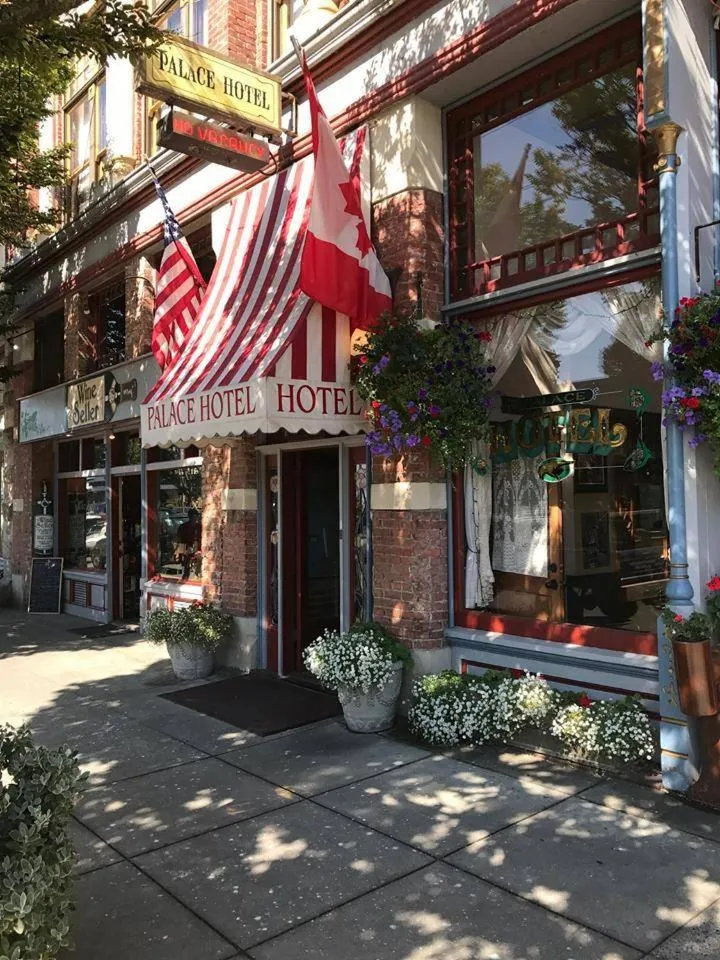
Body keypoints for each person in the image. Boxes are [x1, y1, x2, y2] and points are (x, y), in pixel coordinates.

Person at [176, 507, 202, 579]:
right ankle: (185, 576)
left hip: (197, 549)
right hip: (186, 548)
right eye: (193, 517)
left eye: (196, 517)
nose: (195, 519)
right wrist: (180, 553)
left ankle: (197, 575)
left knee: (200, 560)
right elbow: (179, 540)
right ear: (189, 517)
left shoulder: (200, 527)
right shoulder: (183, 527)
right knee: (186, 566)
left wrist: (199, 550)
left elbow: (201, 540)